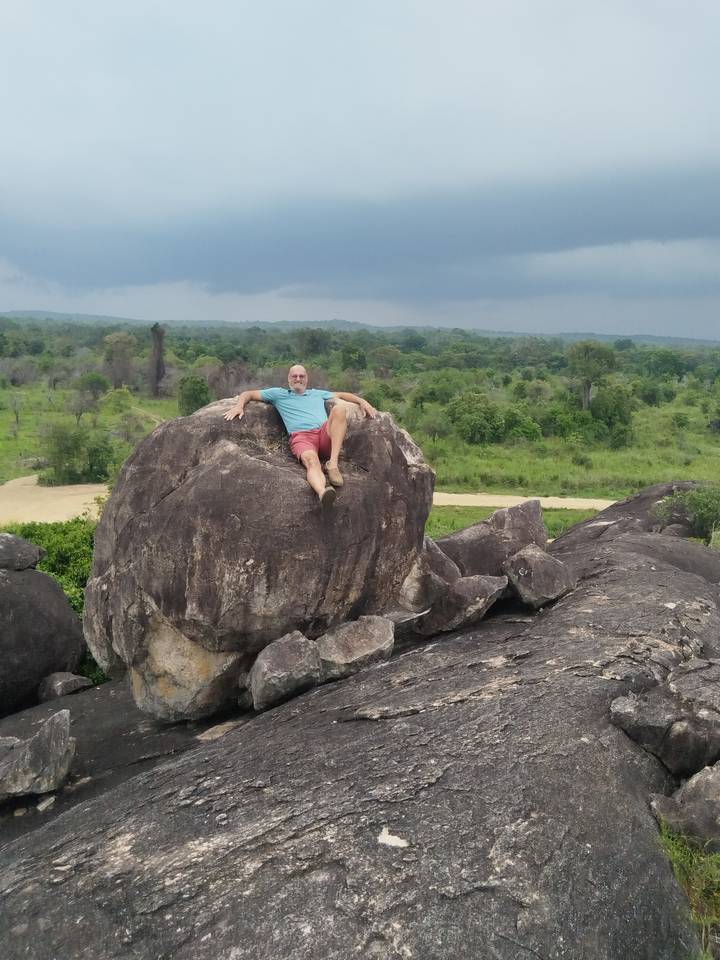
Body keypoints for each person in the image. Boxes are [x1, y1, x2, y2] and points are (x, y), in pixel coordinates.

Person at [223, 364, 378, 507]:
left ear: (306, 379)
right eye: (294, 376)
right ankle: (323, 492)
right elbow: (248, 394)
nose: (298, 379)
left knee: (339, 410)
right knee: (311, 461)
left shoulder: (316, 394)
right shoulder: (278, 394)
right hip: (302, 437)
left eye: (301, 376)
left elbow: (343, 394)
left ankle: (333, 464)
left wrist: (363, 402)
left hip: (323, 433)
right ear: (289, 379)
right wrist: (239, 406)